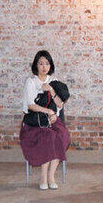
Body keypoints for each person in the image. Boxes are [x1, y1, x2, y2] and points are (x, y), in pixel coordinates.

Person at [19, 51, 71, 190]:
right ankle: (43, 176)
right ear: (36, 65)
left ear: (50, 65)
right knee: (48, 136)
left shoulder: (54, 81)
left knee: (62, 136)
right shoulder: (31, 81)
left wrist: (52, 92)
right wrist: (49, 112)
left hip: (53, 121)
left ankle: (51, 176)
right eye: (41, 63)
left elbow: (60, 105)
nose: (44, 67)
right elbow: (30, 105)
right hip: (35, 123)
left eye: (47, 63)